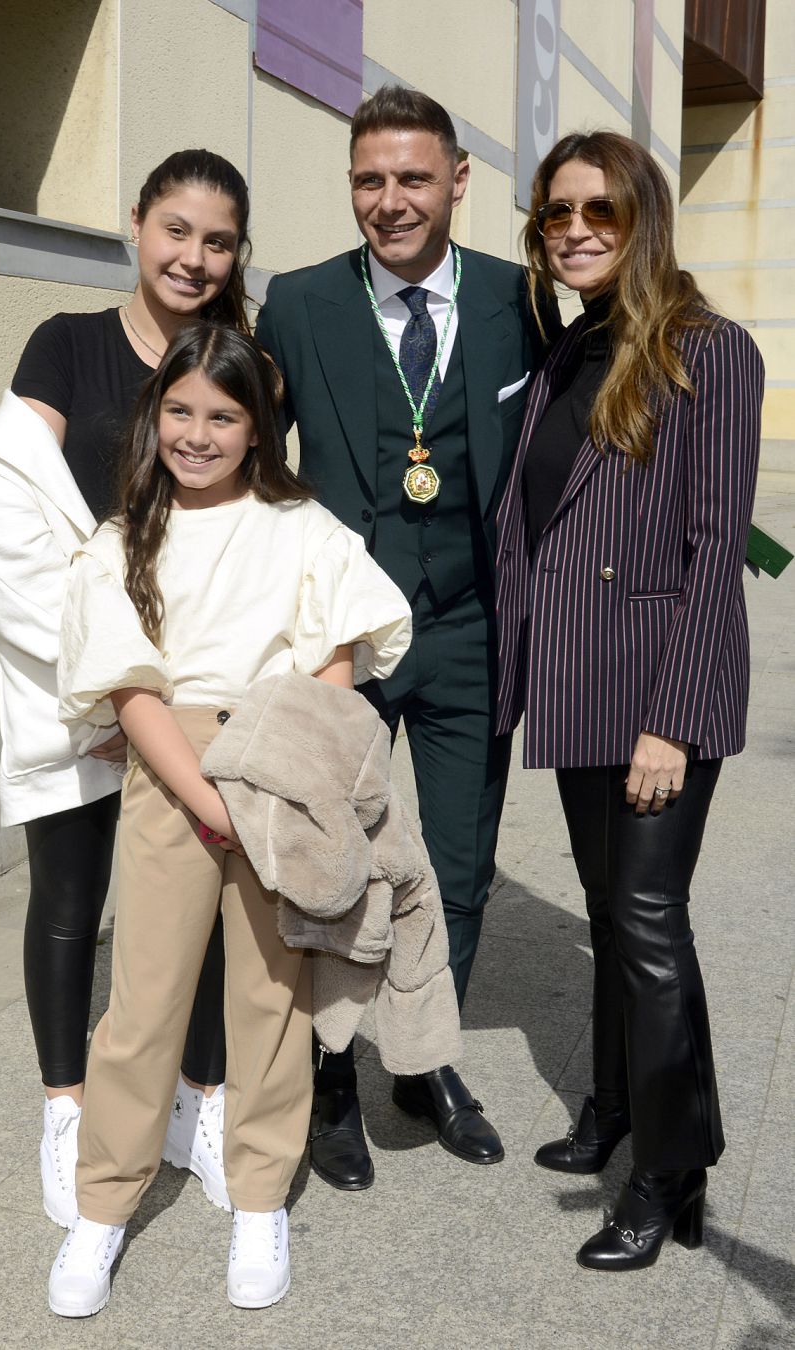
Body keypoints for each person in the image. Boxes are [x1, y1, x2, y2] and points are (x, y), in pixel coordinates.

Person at [47, 323, 412, 1314]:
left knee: (271, 997)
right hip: (173, 770)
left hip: (281, 763)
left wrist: (296, 780)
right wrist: (212, 805)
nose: (196, 433)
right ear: (152, 413)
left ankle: (258, 1198)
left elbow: (335, 653)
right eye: (179, 410)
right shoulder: (126, 538)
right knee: (146, 1001)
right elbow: (130, 690)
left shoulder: (303, 530)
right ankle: (103, 1205)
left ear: (259, 428)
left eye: (223, 415)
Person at [255, 84, 557, 1189]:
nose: (391, 201)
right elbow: (249, 465)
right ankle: (331, 1081)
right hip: (342, 633)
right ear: (351, 186)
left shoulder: (522, 302)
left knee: (461, 865)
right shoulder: (295, 304)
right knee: (331, 864)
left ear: (458, 182)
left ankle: (424, 1063)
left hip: (474, 626)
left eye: (413, 178)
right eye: (370, 180)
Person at [0, 148, 253, 1228]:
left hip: (197, 684)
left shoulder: (231, 357)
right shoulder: (66, 346)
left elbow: (253, 528)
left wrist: (179, 699)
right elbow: (12, 524)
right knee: (73, 905)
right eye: (176, 229)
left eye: (217, 240)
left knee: (210, 903)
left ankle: (200, 1100)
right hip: (66, 685)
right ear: (137, 225)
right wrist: (108, 693)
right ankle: (67, 1110)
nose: (193, 256)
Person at [494, 130, 764, 1270]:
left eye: (600, 211)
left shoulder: (710, 350)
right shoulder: (568, 353)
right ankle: (614, 1106)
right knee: (610, 910)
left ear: (644, 216)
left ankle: (669, 1170)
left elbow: (715, 547)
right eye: (557, 213)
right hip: (581, 674)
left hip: (656, 688)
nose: (576, 230)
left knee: (650, 923)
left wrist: (675, 716)